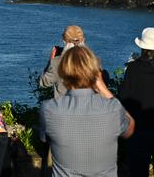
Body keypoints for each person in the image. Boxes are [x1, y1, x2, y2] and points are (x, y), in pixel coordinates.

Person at [41, 46, 135, 177]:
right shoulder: (112, 108)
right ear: (95, 73)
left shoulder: (49, 109)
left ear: (63, 72)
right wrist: (104, 90)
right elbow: (130, 129)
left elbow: (45, 138)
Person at [119, 27, 154, 177]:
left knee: (138, 172)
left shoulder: (133, 69)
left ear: (143, 47)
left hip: (139, 130)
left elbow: (123, 98)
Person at [39, 25, 85, 98]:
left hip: (63, 106)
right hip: (88, 107)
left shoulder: (57, 62)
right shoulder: (95, 61)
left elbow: (43, 82)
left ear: (64, 41)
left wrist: (51, 60)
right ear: (83, 40)